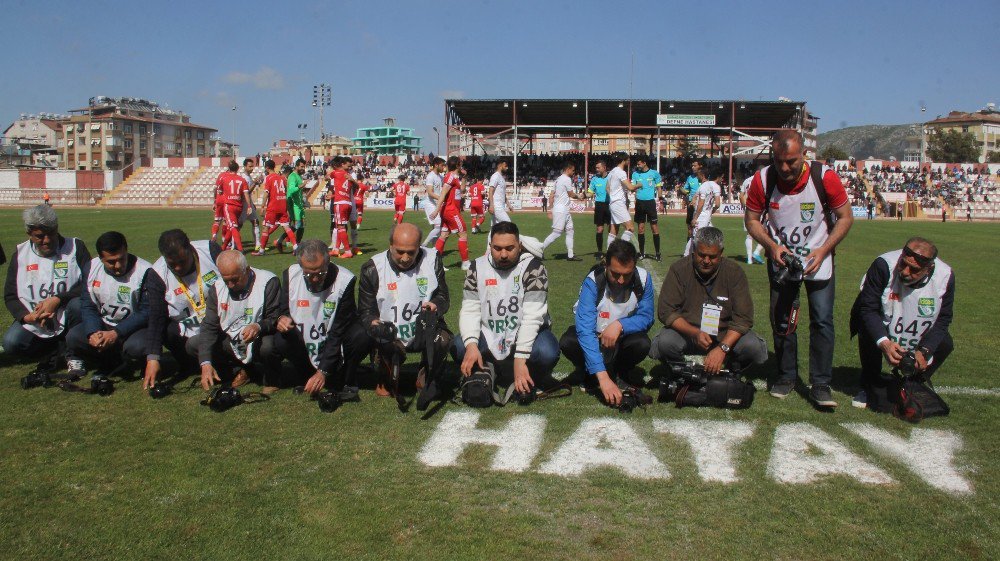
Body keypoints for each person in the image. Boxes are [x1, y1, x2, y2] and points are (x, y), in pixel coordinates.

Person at [744, 130, 854, 408]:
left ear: (804, 154)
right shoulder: (763, 179)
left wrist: (824, 249)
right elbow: (752, 220)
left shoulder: (824, 177)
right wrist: (770, 246)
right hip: (782, 261)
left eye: (791, 161)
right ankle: (785, 376)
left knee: (822, 321)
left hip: (819, 260)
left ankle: (820, 383)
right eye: (779, 161)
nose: (784, 168)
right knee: (782, 321)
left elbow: (845, 217)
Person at [453, 221, 560, 396]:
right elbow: (470, 310)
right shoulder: (476, 267)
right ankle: (490, 368)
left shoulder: (534, 268)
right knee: (460, 346)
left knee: (546, 351)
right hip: (488, 333)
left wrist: (520, 357)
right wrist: (472, 345)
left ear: (519, 246)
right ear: (490, 246)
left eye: (509, 248)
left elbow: (533, 317)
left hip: (522, 334)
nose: (503, 254)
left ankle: (526, 373)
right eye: (497, 248)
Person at [849, 237, 954, 409]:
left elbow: (944, 319)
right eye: (903, 264)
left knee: (944, 343)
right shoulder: (884, 265)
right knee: (868, 331)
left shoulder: (946, 276)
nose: (905, 272)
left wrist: (925, 352)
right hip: (883, 318)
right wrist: (884, 343)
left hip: (917, 325)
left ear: (929, 269)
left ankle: (911, 383)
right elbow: (868, 309)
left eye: (914, 269)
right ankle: (869, 384)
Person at [356, 223, 452, 404]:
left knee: (444, 338)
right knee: (375, 338)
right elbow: (365, 310)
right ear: (390, 245)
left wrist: (436, 305)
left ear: (419, 247)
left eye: (411, 251)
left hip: (423, 328)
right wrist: (372, 323)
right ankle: (387, 373)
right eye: (400, 251)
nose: (405, 257)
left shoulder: (432, 259)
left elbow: (443, 296)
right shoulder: (372, 268)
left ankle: (427, 374)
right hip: (390, 333)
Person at [648, 227, 768, 373]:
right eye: (701, 255)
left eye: (712, 257)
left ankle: (731, 371)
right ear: (694, 250)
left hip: (724, 333)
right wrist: (694, 333)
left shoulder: (735, 272)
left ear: (721, 253)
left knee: (752, 346)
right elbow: (666, 311)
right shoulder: (679, 269)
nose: (706, 261)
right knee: (665, 342)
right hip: (688, 333)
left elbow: (743, 319)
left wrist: (723, 348)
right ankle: (681, 372)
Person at [264, 239, 368, 394]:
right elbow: (284, 310)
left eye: (320, 273)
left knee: (361, 336)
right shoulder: (290, 275)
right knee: (281, 339)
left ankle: (344, 376)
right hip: (305, 337)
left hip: (334, 335)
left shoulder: (345, 280)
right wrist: (282, 319)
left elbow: (339, 329)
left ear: (328, 262)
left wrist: (324, 371)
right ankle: (306, 375)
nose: (314, 278)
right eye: (308, 273)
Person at [560, 240, 654, 406]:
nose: (621, 280)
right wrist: (603, 378)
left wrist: (620, 325)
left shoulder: (644, 279)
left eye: (627, 274)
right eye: (615, 274)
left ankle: (621, 373)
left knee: (642, 343)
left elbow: (647, 316)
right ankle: (592, 374)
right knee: (569, 341)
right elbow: (585, 329)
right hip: (596, 337)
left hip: (622, 338)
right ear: (606, 265)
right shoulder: (593, 281)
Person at [3, 205, 90, 376]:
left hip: (69, 312)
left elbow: (90, 284)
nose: (47, 240)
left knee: (79, 304)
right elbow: (10, 295)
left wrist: (57, 299)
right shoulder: (21, 255)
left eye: (51, 233)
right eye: (40, 236)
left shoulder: (75, 247)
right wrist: (27, 316)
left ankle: (74, 354)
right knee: (11, 343)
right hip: (36, 319)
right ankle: (56, 349)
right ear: (29, 234)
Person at [66, 231, 161, 383]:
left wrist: (116, 332)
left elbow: (147, 312)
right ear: (100, 258)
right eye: (111, 262)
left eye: (121, 259)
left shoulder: (145, 271)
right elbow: (88, 304)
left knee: (138, 346)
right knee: (73, 337)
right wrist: (93, 332)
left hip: (134, 329)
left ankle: (129, 359)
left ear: (126, 250)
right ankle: (107, 358)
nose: (118, 266)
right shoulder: (91, 268)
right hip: (104, 324)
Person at [143, 230, 222, 390]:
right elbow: (156, 317)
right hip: (187, 330)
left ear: (190, 248)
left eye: (182, 261)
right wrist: (153, 358)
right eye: (172, 264)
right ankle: (189, 364)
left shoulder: (209, 251)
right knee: (166, 330)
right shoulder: (156, 274)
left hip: (219, 323)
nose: (178, 267)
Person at [197, 250, 282, 390]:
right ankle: (241, 371)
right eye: (226, 280)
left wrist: (258, 326)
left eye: (235, 279)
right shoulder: (217, 288)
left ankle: (272, 378)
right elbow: (209, 325)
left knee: (268, 346)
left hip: (260, 337)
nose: (230, 285)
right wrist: (205, 363)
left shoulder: (268, 281)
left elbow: (275, 316)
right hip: (231, 339)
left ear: (246, 270)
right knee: (195, 344)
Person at [430, 156, 471, 270]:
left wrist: (464, 177)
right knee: (463, 234)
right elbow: (443, 194)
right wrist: (436, 210)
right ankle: (465, 262)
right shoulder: (450, 177)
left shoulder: (455, 177)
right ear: (457, 165)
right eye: (460, 163)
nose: (462, 165)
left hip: (451, 210)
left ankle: (435, 262)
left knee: (444, 235)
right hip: (451, 211)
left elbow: (462, 190)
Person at [253, 159, 299, 255]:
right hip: (282, 205)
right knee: (287, 227)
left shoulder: (269, 178)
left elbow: (266, 194)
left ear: (267, 168)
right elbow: (286, 191)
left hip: (273, 206)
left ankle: (261, 251)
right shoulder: (282, 178)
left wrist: (262, 207)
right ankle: (296, 246)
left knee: (266, 227)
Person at [541, 161, 583, 261]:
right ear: (568, 169)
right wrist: (579, 196)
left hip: (562, 209)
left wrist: (550, 209)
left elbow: (551, 195)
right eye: (572, 170)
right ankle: (539, 250)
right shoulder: (567, 179)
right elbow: (571, 194)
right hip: (562, 209)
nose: (573, 172)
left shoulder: (557, 180)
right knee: (557, 233)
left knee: (570, 231)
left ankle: (570, 255)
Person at [684, 167, 722, 256]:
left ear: (702, 176)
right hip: (706, 216)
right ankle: (688, 256)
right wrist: (712, 211)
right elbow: (717, 204)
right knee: (708, 236)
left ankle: (690, 256)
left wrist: (695, 217)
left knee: (696, 237)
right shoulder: (715, 186)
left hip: (701, 216)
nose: (697, 177)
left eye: (698, 175)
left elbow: (698, 202)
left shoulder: (703, 186)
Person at [631, 157, 663, 261]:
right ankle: (642, 253)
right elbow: (632, 188)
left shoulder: (654, 173)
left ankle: (657, 253)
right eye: (637, 164)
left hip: (650, 203)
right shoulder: (635, 174)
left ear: (644, 163)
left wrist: (661, 200)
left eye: (639, 164)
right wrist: (636, 186)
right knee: (640, 228)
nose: (638, 166)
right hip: (640, 203)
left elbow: (659, 187)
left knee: (654, 227)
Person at [217, 160, 253, 251]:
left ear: (229, 168)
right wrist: (249, 206)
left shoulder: (224, 178)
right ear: (238, 169)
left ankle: (240, 249)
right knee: (231, 227)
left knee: (233, 227)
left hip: (229, 206)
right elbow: (246, 194)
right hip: (239, 206)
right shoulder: (242, 180)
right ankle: (223, 247)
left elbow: (219, 191)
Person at [327, 157, 359, 258]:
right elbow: (356, 187)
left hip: (340, 203)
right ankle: (336, 250)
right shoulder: (348, 176)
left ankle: (347, 251)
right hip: (348, 202)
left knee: (340, 227)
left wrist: (331, 171)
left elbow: (326, 177)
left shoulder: (336, 173)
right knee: (338, 226)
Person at [605, 154, 638, 248]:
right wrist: (639, 185)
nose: (629, 162)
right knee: (630, 228)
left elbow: (607, 188)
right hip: (618, 202)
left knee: (613, 230)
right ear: (624, 160)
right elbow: (631, 187)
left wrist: (613, 195)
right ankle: (619, 250)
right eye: (628, 160)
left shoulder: (611, 172)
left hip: (613, 202)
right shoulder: (621, 172)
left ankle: (609, 254)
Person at [738, 173, 766, 264]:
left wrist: (744, 207)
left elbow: (741, 196)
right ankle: (756, 252)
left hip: (748, 208)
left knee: (749, 234)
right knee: (766, 232)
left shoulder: (747, 180)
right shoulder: (762, 179)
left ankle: (749, 259)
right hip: (759, 208)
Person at [238, 158, 263, 253]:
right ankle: (234, 243)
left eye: (252, 166)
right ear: (245, 166)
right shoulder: (244, 178)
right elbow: (247, 192)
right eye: (250, 166)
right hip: (244, 205)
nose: (252, 168)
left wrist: (256, 182)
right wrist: (255, 183)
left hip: (249, 203)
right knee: (239, 225)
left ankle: (257, 244)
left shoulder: (248, 177)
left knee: (255, 221)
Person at [421, 157, 447, 247]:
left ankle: (434, 250)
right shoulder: (430, 176)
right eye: (442, 165)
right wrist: (441, 198)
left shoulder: (440, 177)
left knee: (436, 228)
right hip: (430, 203)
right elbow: (430, 192)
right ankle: (424, 244)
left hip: (437, 203)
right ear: (436, 165)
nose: (443, 167)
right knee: (439, 225)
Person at [588, 160, 610, 257]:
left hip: (610, 205)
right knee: (599, 229)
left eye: (598, 167)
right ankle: (600, 252)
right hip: (599, 205)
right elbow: (590, 192)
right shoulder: (594, 179)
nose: (596, 169)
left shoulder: (611, 177)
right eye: (596, 168)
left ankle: (610, 251)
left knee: (611, 230)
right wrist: (584, 195)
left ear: (604, 168)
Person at [683, 160, 703, 246]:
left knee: (701, 227)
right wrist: (680, 189)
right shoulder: (690, 178)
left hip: (701, 205)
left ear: (700, 166)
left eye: (695, 165)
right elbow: (686, 191)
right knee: (690, 227)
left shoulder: (704, 178)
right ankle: (689, 248)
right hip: (691, 205)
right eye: (692, 166)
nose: (692, 167)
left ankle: (700, 247)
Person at [488, 160, 512, 225]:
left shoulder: (501, 177)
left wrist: (509, 205)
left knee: (495, 229)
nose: (507, 168)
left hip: (501, 205)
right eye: (505, 166)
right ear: (500, 165)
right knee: (508, 224)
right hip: (497, 206)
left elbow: (503, 193)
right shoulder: (495, 176)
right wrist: (491, 205)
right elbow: (491, 190)